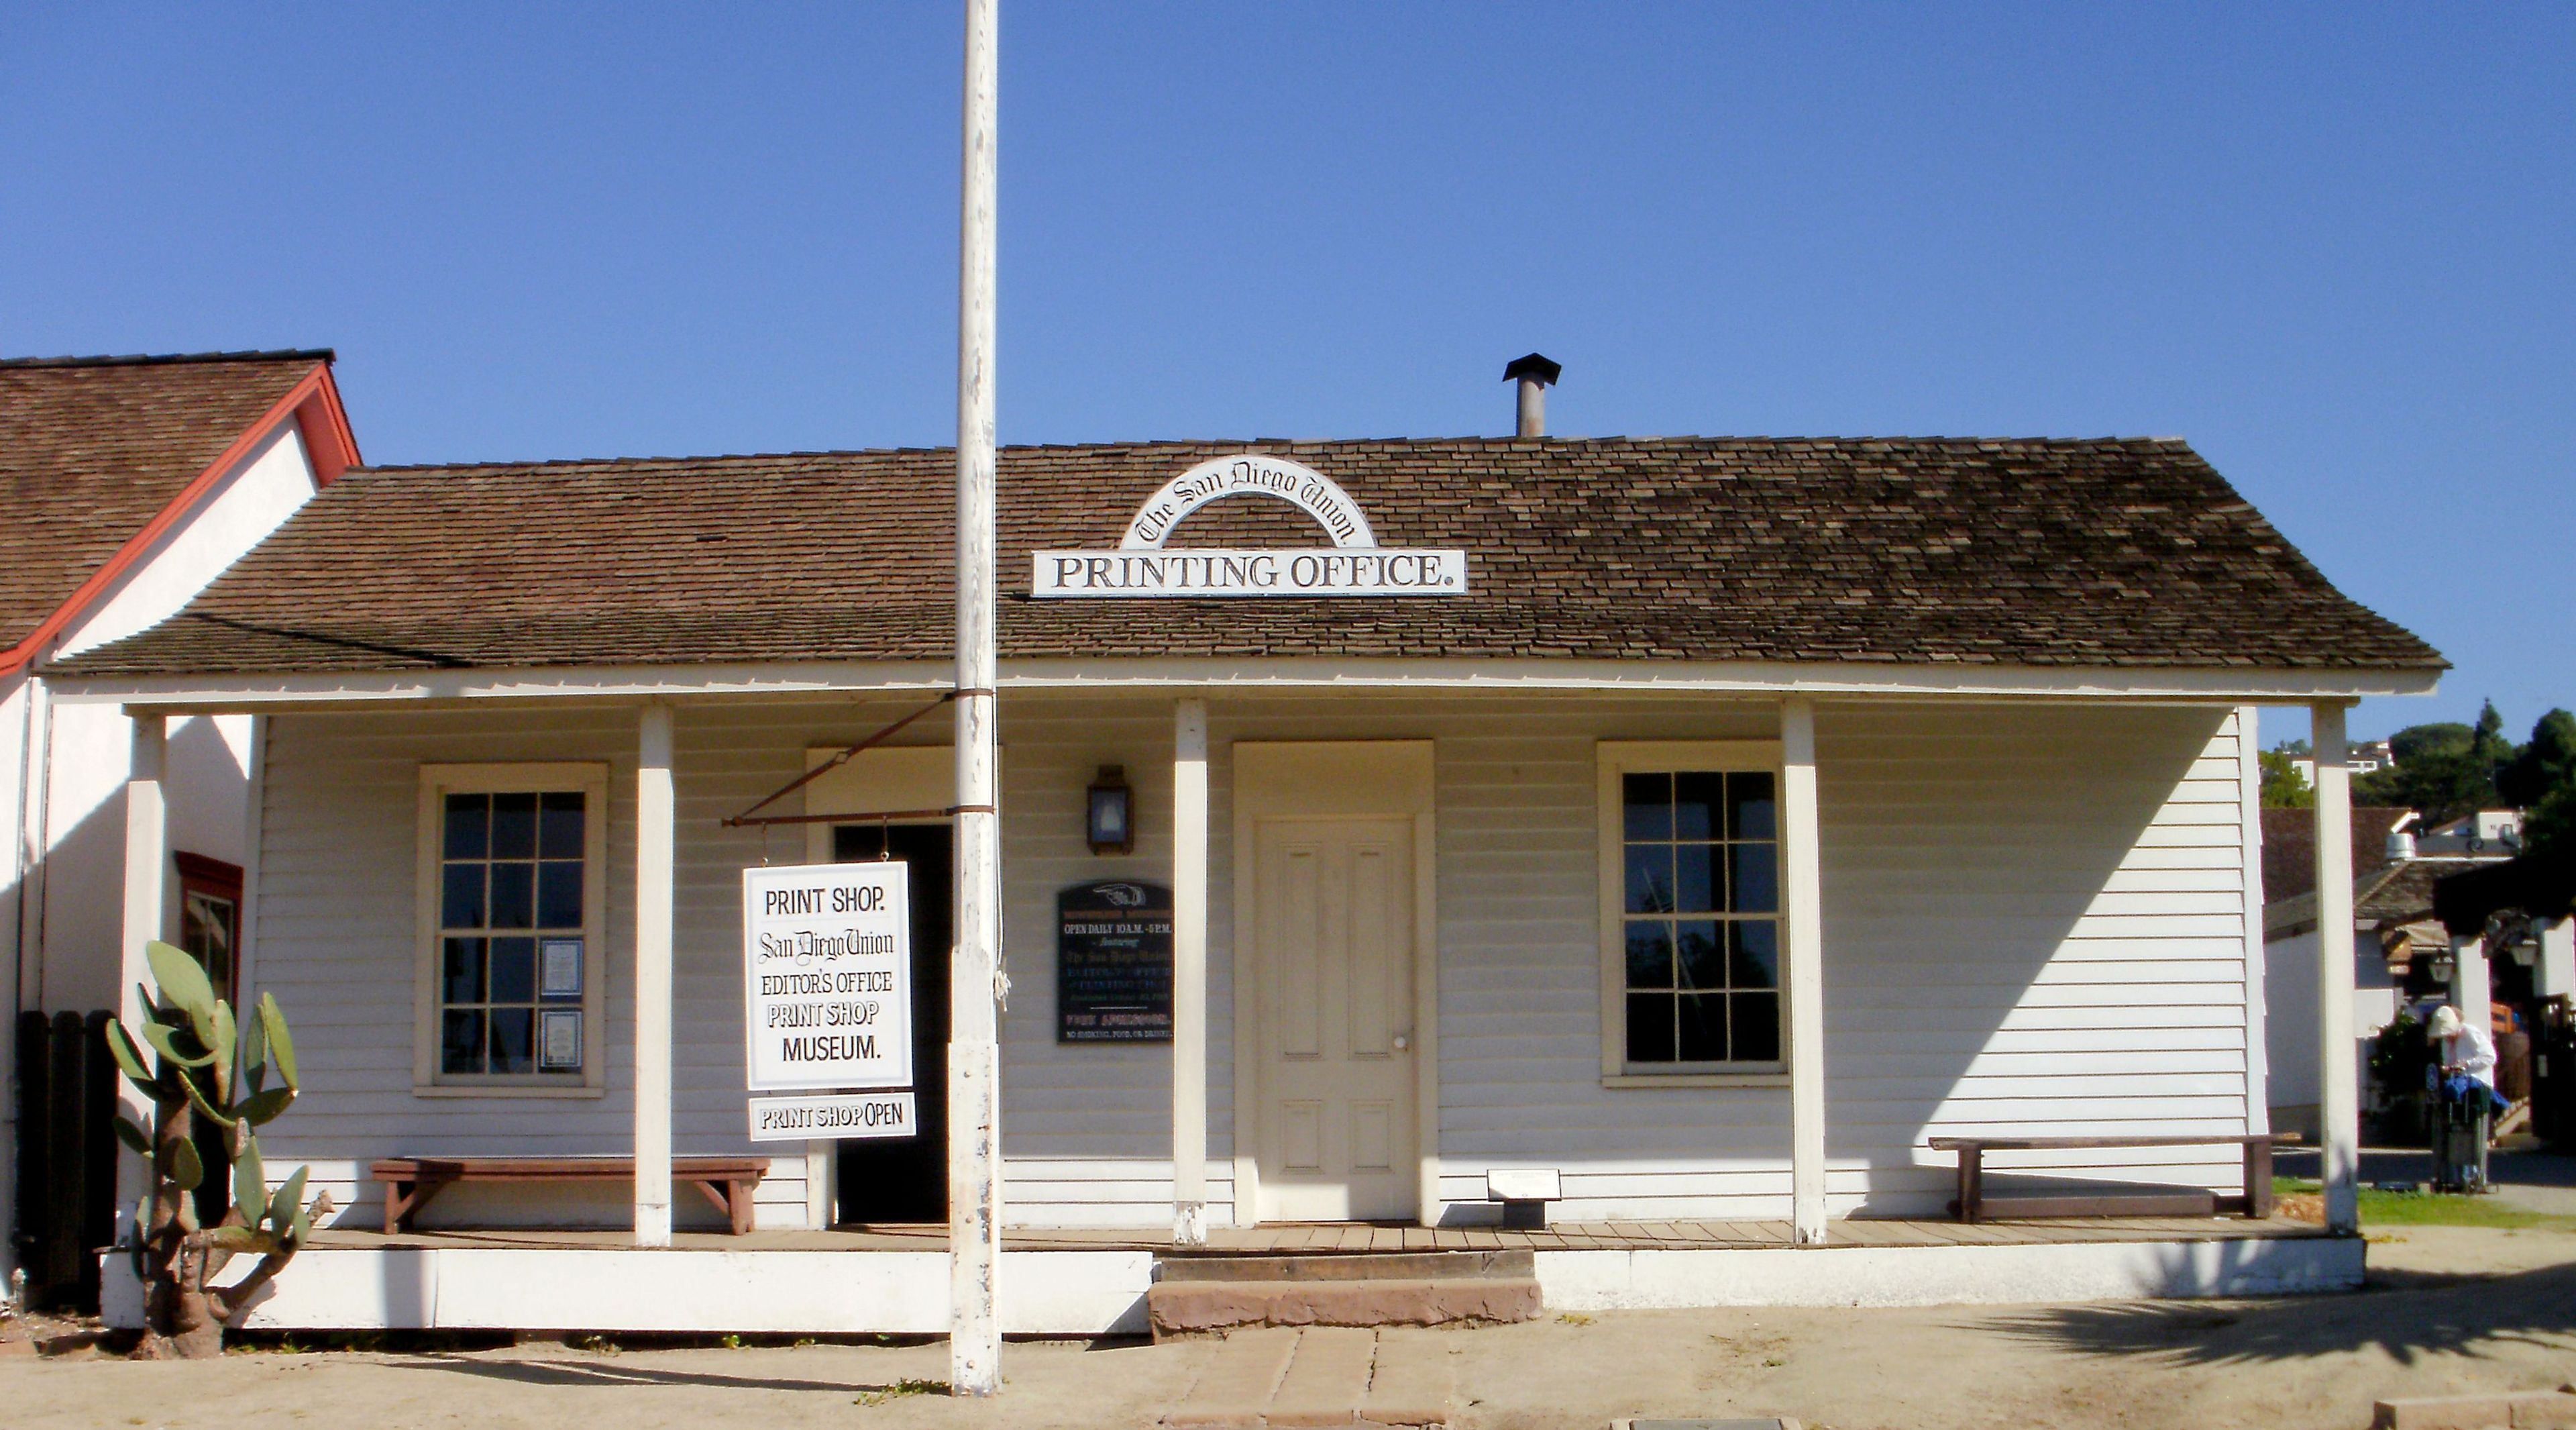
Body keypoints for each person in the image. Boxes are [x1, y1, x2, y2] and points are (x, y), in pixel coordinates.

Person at [2428, 1003, 2506, 1192]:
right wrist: (2449, 1068)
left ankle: (2475, 1176)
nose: (2447, 1037)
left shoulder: (2471, 1033)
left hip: (2476, 1087)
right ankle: (2455, 1176)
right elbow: (2448, 1062)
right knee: (2452, 1129)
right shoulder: (2446, 1042)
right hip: (2457, 1088)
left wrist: (2466, 1064)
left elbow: (2490, 1057)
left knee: (2475, 1132)